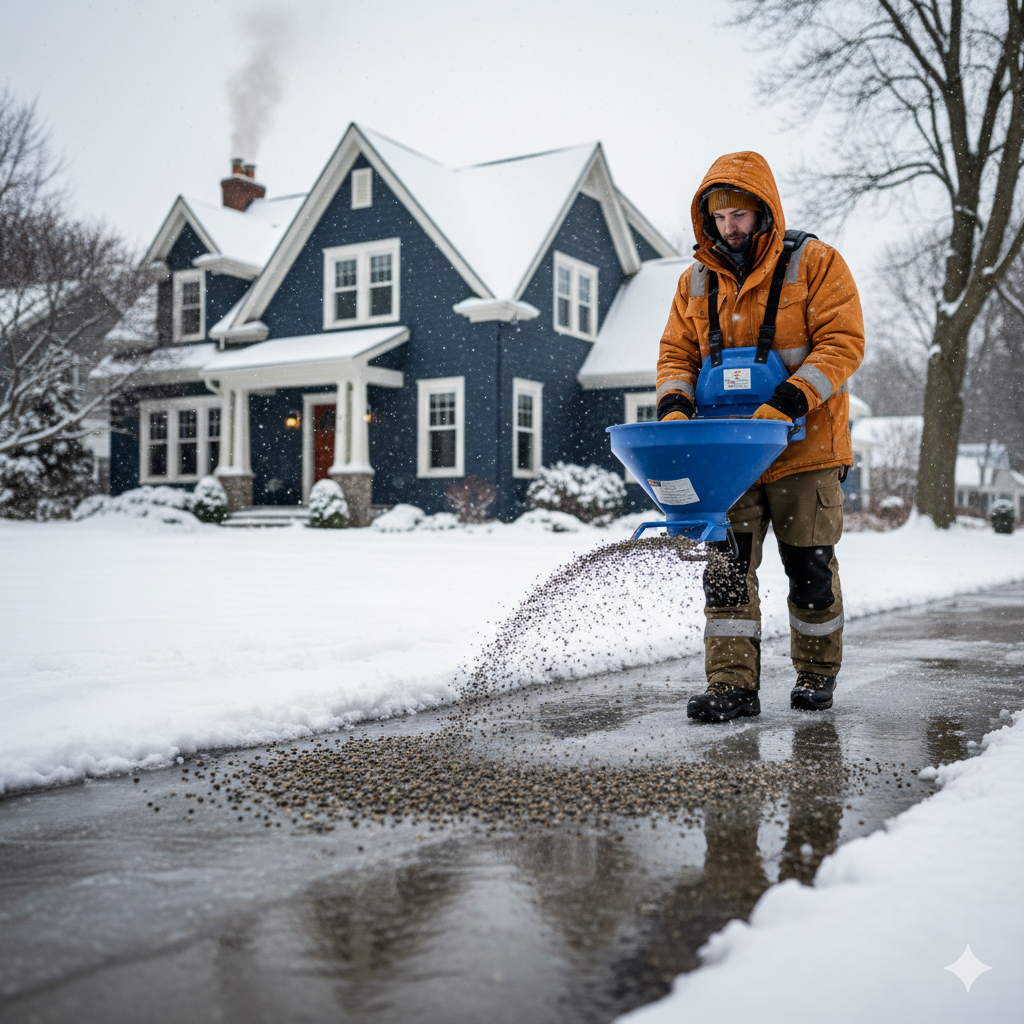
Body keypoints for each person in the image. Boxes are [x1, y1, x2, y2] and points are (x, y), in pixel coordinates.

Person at [656, 151, 865, 723]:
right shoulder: (693, 282)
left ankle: (816, 675)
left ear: (765, 212)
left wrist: (789, 400)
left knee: (810, 569)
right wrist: (674, 407)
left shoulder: (815, 263)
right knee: (726, 572)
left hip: (805, 450)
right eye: (719, 218)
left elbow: (843, 342)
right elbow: (676, 352)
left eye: (740, 216)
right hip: (726, 459)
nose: (729, 228)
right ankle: (731, 686)